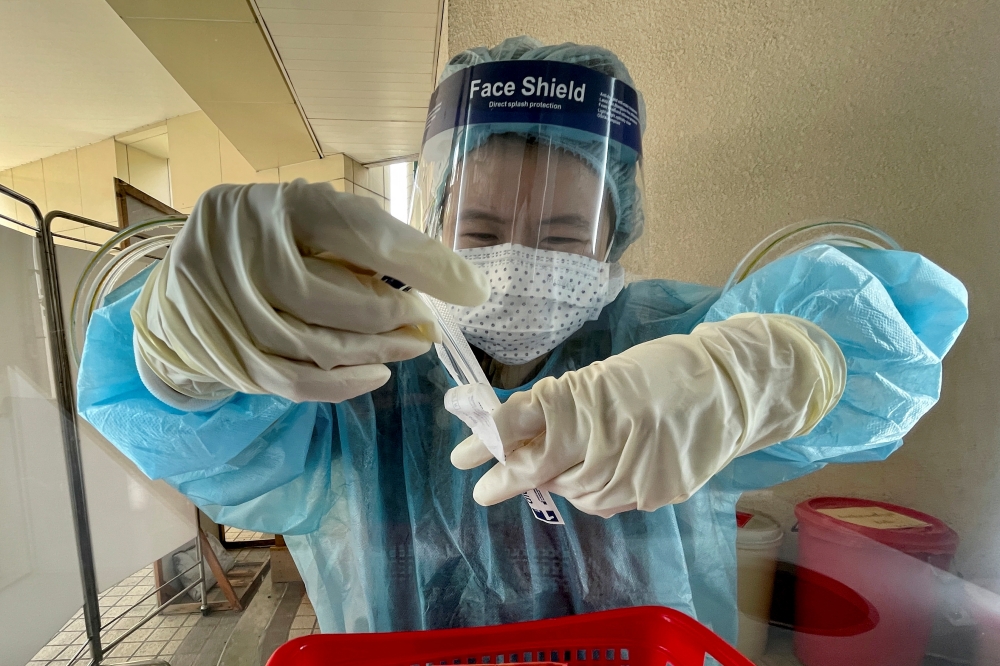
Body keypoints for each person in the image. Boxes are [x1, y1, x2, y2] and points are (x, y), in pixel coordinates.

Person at [77, 36, 968, 641]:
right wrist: (185, 354)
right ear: (429, 225)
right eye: (480, 229)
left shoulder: (676, 347)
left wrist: (772, 367)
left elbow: (885, 344)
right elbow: (189, 432)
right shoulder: (361, 366)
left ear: (616, 238)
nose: (517, 262)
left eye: (561, 236)